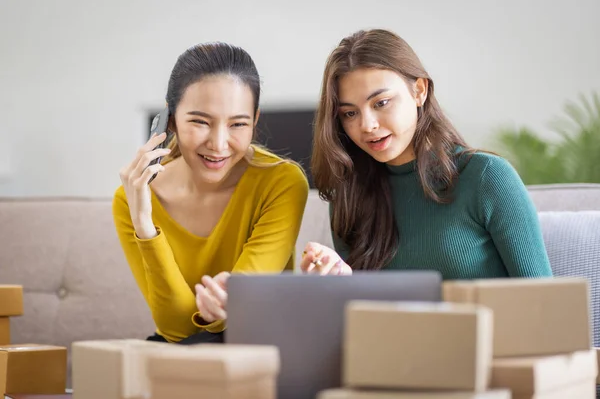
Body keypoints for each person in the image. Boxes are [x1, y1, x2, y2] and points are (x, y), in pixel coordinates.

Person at [300, 29, 553, 280]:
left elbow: (545, 305)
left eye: (381, 103)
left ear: (419, 91)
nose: (367, 125)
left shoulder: (486, 178)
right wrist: (341, 282)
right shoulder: (349, 194)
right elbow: (365, 314)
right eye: (350, 113)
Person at [113, 42, 309, 344]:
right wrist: (145, 226)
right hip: (179, 352)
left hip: (258, 345)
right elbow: (175, 329)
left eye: (237, 124)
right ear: (170, 119)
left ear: (254, 121)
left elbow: (244, 309)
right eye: (200, 122)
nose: (218, 144)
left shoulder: (282, 182)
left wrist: (224, 305)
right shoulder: (133, 197)